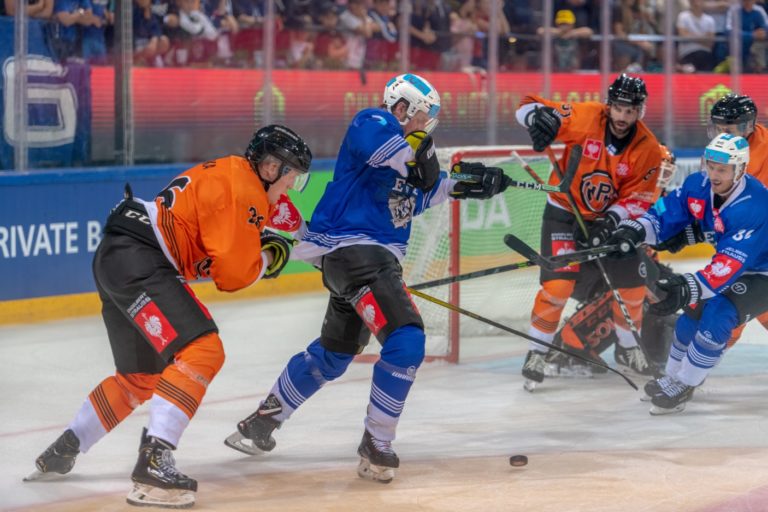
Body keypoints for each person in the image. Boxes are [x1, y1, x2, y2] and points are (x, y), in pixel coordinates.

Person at [224, 73, 510, 484]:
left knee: (333, 355)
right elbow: (408, 163)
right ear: (403, 107)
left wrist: (472, 183)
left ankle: (261, 423)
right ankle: (376, 442)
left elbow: (424, 189)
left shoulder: (403, 155)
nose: (427, 125)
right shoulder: (372, 123)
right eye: (423, 115)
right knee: (406, 340)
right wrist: (428, 164)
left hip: (354, 264)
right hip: (361, 258)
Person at [26, 125, 313, 508]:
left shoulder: (234, 176)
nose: (293, 186)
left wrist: (274, 237)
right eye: (292, 176)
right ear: (270, 167)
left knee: (138, 379)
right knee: (203, 351)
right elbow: (231, 276)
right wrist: (270, 255)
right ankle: (153, 463)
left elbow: (245, 232)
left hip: (118, 255)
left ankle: (63, 449)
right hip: (141, 259)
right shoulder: (243, 190)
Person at [515, 73, 662, 391]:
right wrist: (538, 119)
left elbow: (639, 198)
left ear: (640, 110)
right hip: (564, 215)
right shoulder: (585, 116)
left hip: (610, 222)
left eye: (631, 110)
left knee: (633, 289)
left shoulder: (648, 147)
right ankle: (537, 352)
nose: (624, 117)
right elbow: (527, 104)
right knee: (556, 288)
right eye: (619, 108)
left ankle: (628, 348)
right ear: (609, 106)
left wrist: (611, 220)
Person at [607, 133, 768, 414]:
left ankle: (685, 384)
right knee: (691, 314)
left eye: (723, 169)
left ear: (740, 169)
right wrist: (635, 229)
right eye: (711, 166)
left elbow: (729, 265)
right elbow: (665, 213)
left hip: (761, 273)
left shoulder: (755, 205)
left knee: (719, 313)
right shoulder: (699, 184)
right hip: (737, 267)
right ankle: (672, 377)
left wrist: (687, 286)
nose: (714, 175)